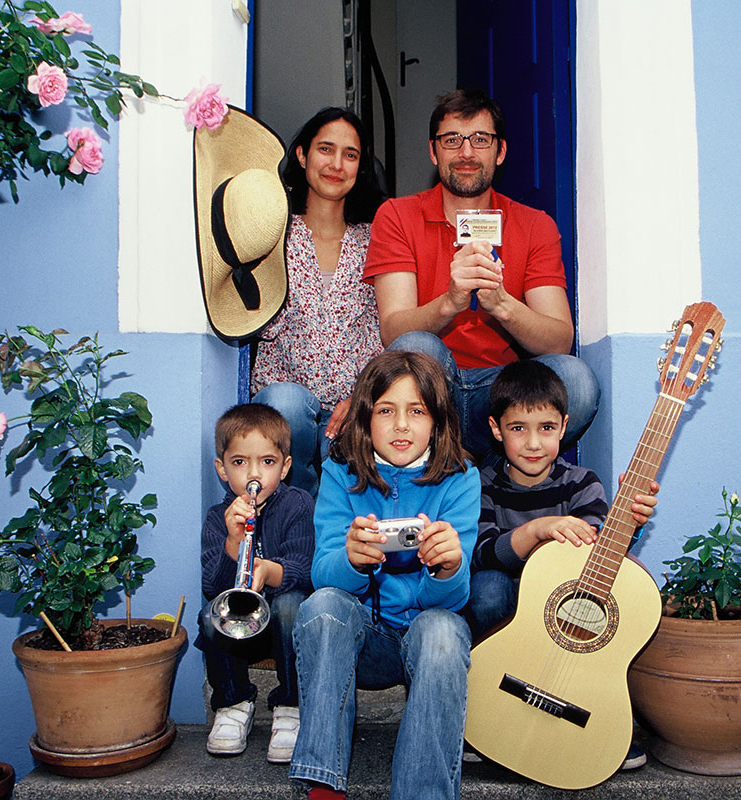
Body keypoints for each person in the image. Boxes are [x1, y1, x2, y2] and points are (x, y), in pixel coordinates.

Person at [364, 88, 600, 456]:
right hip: (430, 391)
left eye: (480, 139)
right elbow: (394, 332)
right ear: (433, 151)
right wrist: (451, 301)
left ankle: (499, 471)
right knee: (415, 349)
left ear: (500, 151)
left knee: (577, 380)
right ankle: (441, 468)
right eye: (452, 140)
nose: (467, 153)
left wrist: (503, 304)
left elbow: (559, 341)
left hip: (502, 390)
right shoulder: (396, 215)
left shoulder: (534, 225)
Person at [289, 351, 480, 800]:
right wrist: (352, 561)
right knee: (322, 607)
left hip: (424, 635)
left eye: (417, 411)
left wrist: (450, 567)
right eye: (386, 411)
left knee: (442, 631)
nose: (400, 426)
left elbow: (451, 601)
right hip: (365, 641)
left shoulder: (460, 478)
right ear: (364, 418)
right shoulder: (341, 471)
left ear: (437, 421)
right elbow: (322, 575)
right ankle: (323, 785)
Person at [466, 360, 658, 769]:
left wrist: (628, 522)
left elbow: (598, 553)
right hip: (510, 625)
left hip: (566, 617)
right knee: (486, 587)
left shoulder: (582, 483)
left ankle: (598, 717)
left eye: (547, 428)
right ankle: (487, 707)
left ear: (564, 426)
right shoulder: (481, 484)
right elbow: (480, 552)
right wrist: (537, 530)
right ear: (497, 429)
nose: (534, 443)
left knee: (612, 605)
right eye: (518, 428)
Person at [252, 108, 387, 496]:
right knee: (286, 404)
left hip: (355, 402)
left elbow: (388, 330)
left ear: (360, 166)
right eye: (325, 149)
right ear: (302, 155)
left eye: (350, 154)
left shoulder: (377, 238)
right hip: (287, 401)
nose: (336, 164)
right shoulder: (272, 232)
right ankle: (298, 509)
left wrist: (363, 394)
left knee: (354, 454)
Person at [196, 403, 315, 763]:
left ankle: (290, 706)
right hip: (240, 628)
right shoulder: (219, 517)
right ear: (221, 469)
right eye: (239, 462)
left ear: (286, 466)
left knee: (292, 604)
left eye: (267, 462)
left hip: (282, 623)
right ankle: (233, 703)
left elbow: (306, 569)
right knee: (207, 614)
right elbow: (211, 586)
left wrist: (268, 571)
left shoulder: (298, 504)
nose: (254, 474)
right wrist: (232, 544)